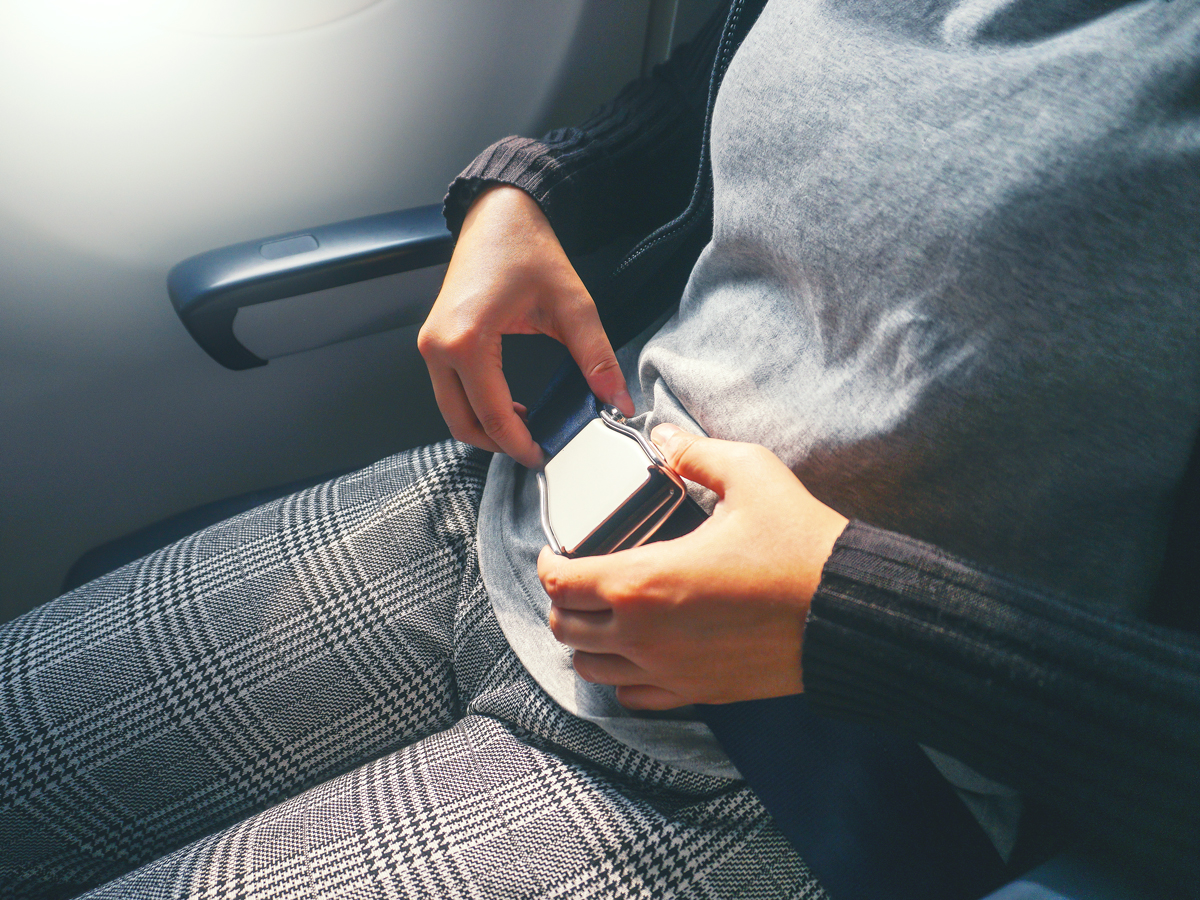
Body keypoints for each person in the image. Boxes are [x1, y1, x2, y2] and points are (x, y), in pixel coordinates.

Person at [2, 1, 1198, 898]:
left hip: (812, 746)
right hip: (521, 502)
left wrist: (846, 615)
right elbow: (756, 93)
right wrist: (532, 192)